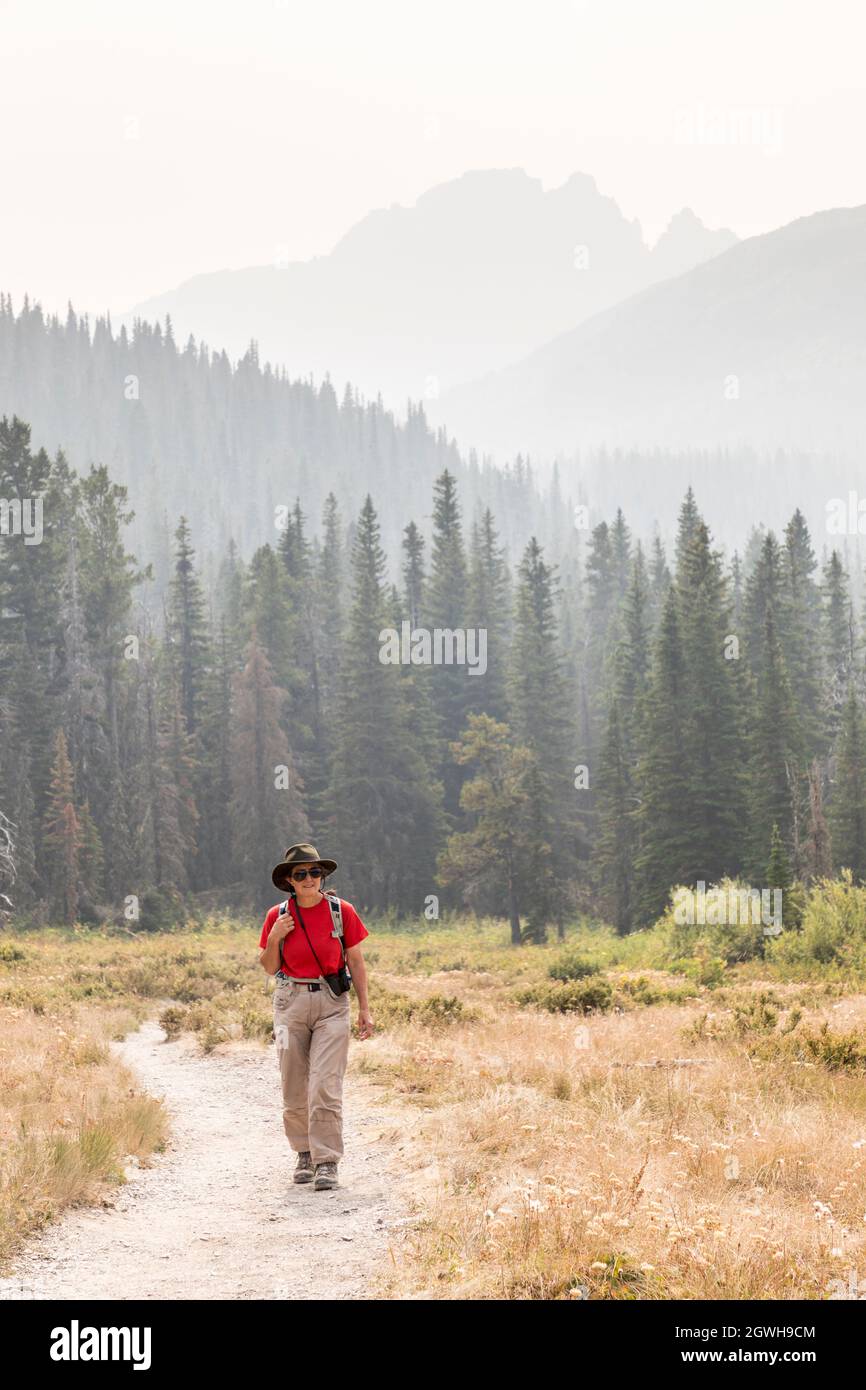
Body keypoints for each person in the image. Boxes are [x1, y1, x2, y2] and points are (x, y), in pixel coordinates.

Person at [259, 843, 374, 1191]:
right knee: (293, 1083)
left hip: (332, 1004)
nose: (309, 879)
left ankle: (326, 1161)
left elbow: (356, 961)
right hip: (288, 1002)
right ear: (289, 881)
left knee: (325, 1082)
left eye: (314, 872)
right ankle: (304, 1152)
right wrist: (276, 936)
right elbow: (269, 967)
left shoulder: (342, 911)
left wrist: (365, 1009)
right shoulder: (275, 916)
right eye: (301, 874)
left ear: (322, 876)